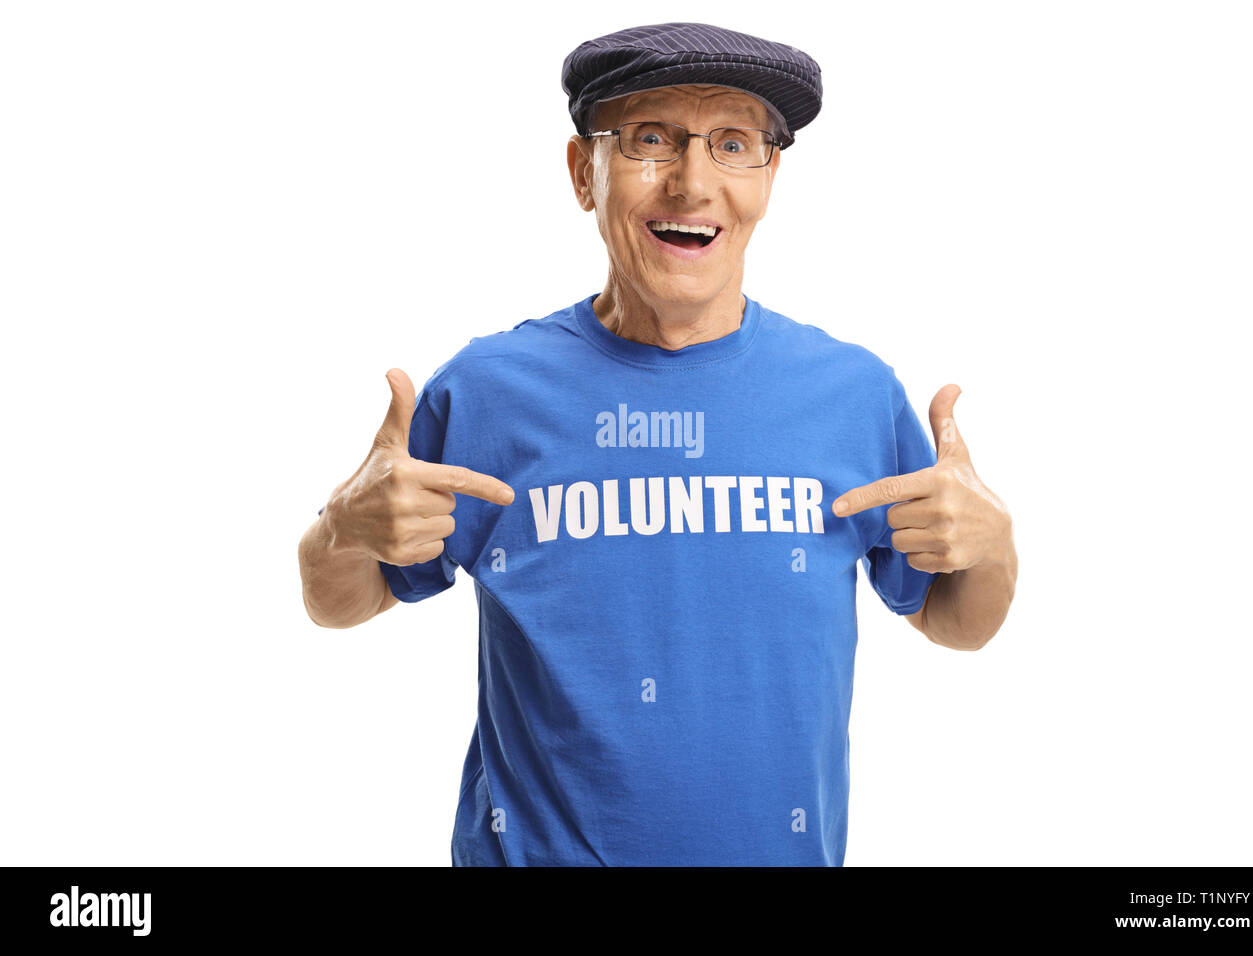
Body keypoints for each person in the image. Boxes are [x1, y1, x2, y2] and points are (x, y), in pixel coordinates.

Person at [297, 21, 1018, 866]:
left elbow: (952, 618)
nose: (693, 182)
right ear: (582, 172)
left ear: (770, 175)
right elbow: (342, 601)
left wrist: (995, 546)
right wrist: (341, 531)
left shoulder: (851, 396)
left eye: (733, 144)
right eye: (650, 140)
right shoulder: (488, 392)